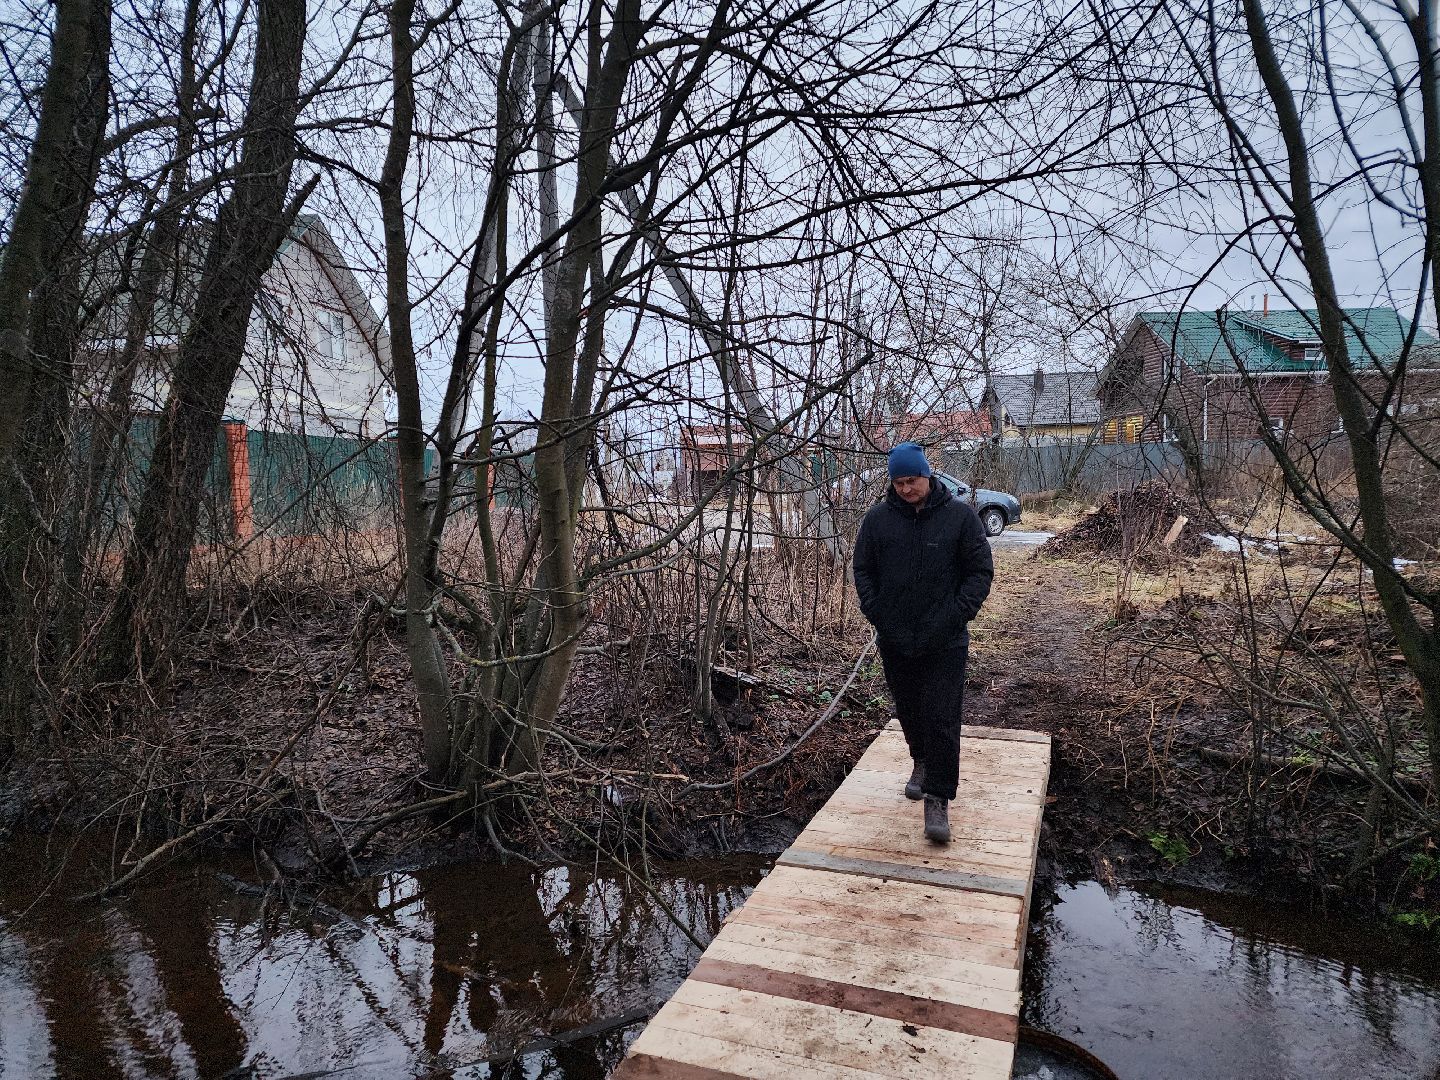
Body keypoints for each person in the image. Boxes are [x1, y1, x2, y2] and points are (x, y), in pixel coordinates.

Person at [851, 441, 994, 843]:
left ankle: (938, 797)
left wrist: (956, 614)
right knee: (909, 709)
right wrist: (876, 611)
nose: (905, 488)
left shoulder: (960, 518)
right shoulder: (877, 521)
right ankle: (920, 762)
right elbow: (863, 568)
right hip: (895, 637)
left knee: (942, 715)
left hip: (945, 639)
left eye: (911, 480)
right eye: (898, 482)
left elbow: (980, 572)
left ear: (927, 475)